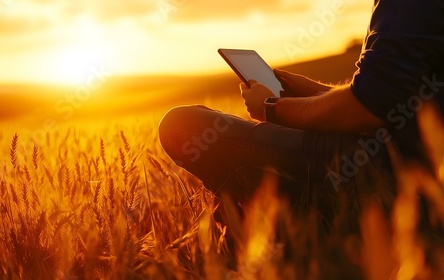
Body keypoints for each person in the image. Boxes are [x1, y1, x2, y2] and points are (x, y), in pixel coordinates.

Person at [158, 0, 444, 210]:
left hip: (400, 169)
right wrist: (315, 93)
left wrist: (271, 108)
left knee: (183, 128)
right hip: (412, 157)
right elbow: (392, 97)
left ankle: (283, 230)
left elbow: (368, 107)